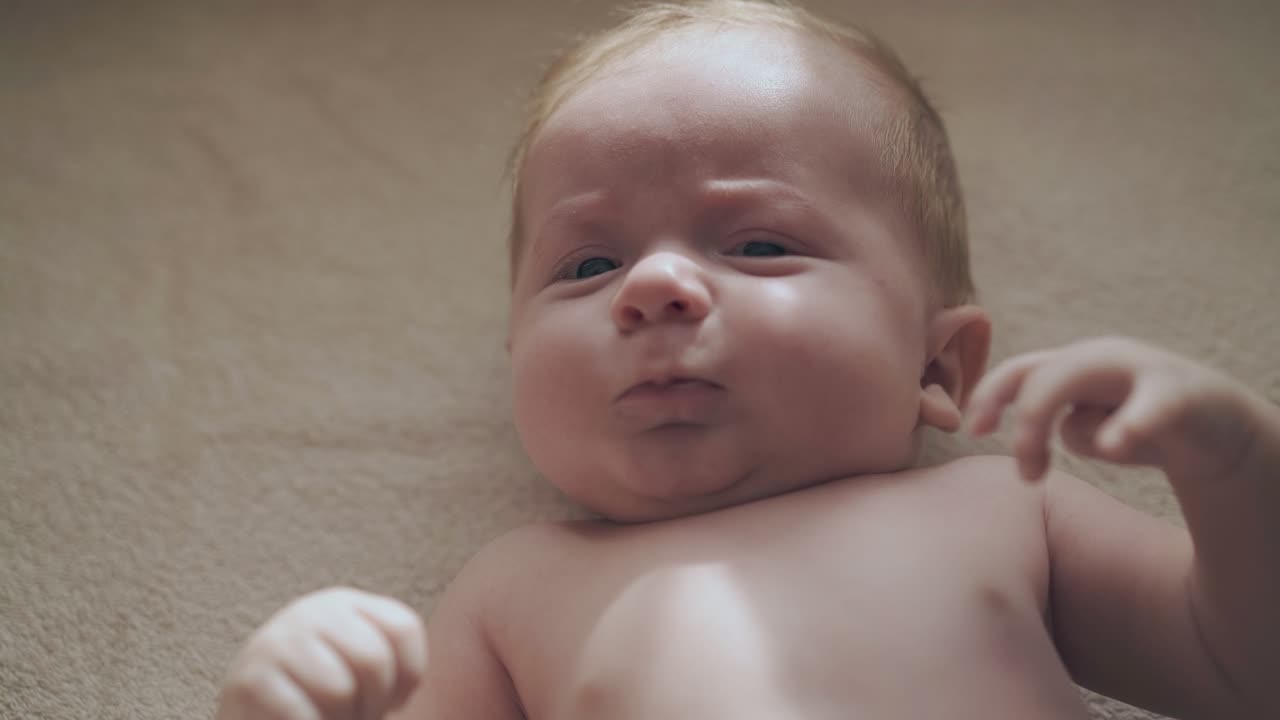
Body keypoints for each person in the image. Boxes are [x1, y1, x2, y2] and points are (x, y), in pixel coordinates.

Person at [214, 1, 1280, 718]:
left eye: (758, 244)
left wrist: (1230, 461)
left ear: (938, 369)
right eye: (587, 263)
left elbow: (1243, 668)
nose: (651, 287)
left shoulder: (1002, 506)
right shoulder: (515, 587)